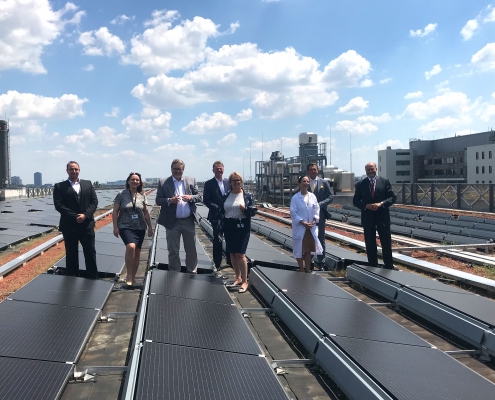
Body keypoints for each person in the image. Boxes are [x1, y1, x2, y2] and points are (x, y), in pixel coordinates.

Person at [53, 161, 98, 278]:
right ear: (67, 171)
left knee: (90, 252)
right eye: (71, 169)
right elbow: (59, 205)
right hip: (69, 226)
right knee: (71, 253)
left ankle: (92, 276)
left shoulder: (88, 184)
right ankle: (72, 278)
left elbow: (94, 202)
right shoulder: (59, 186)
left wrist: (85, 215)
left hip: (86, 225)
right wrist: (75, 216)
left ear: (79, 170)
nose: (74, 171)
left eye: (76, 169)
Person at [156, 159, 202, 273]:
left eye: (180, 169)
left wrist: (191, 197)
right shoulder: (163, 182)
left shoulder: (191, 180)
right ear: (171, 169)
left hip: (188, 221)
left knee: (191, 249)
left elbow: (199, 196)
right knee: (173, 250)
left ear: (183, 169)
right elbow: (158, 200)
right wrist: (169, 200)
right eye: (175, 169)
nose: (177, 171)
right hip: (172, 222)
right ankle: (174, 273)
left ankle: (192, 272)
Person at [353, 162, 397, 269]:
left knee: (386, 242)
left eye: (372, 169)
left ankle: (388, 265)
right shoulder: (360, 184)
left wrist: (381, 204)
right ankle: (373, 265)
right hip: (368, 217)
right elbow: (356, 201)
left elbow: (392, 197)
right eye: (368, 169)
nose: (370, 171)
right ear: (365, 171)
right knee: (370, 242)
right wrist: (365, 206)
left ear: (376, 169)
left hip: (382, 217)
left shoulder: (384, 181)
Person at [112, 172, 153, 286]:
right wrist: (115, 227)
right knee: (131, 247)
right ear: (128, 181)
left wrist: (150, 226)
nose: (135, 181)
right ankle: (129, 275)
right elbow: (115, 211)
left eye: (137, 180)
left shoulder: (142, 195)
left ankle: (133, 277)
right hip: (125, 225)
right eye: (132, 179)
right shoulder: (121, 194)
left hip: (140, 227)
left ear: (139, 182)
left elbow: (145, 212)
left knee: (138, 251)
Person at [221, 172, 257, 293]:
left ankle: (245, 281)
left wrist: (245, 209)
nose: (236, 182)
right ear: (230, 182)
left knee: (241, 254)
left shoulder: (247, 195)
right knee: (232, 253)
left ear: (241, 182)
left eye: (238, 180)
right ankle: (237, 277)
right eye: (234, 180)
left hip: (242, 226)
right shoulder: (226, 195)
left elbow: (253, 211)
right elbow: (222, 210)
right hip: (229, 226)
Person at [203, 160, 231, 271]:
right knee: (218, 240)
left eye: (221, 168)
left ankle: (230, 260)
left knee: (229, 239)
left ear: (223, 169)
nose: (219, 170)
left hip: (229, 217)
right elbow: (206, 200)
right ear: (213, 170)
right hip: (216, 217)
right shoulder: (209, 184)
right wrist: (217, 208)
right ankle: (217, 263)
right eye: (217, 168)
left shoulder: (228, 182)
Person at [290, 176, 323, 273]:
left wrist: (314, 221)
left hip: (310, 227)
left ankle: (307, 269)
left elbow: (317, 209)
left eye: (308, 181)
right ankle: (301, 269)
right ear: (299, 183)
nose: (306, 183)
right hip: (300, 226)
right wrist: (302, 222)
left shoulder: (312, 196)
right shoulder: (295, 198)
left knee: (308, 249)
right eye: (304, 181)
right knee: (299, 249)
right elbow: (293, 212)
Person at [307, 163, 333, 270]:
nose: (313, 171)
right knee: (309, 237)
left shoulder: (324, 182)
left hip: (320, 214)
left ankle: (321, 262)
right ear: (308, 171)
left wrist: (320, 204)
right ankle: (310, 260)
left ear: (318, 171)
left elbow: (331, 197)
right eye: (311, 170)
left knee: (320, 237)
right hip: (307, 214)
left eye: (315, 169)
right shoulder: (305, 182)